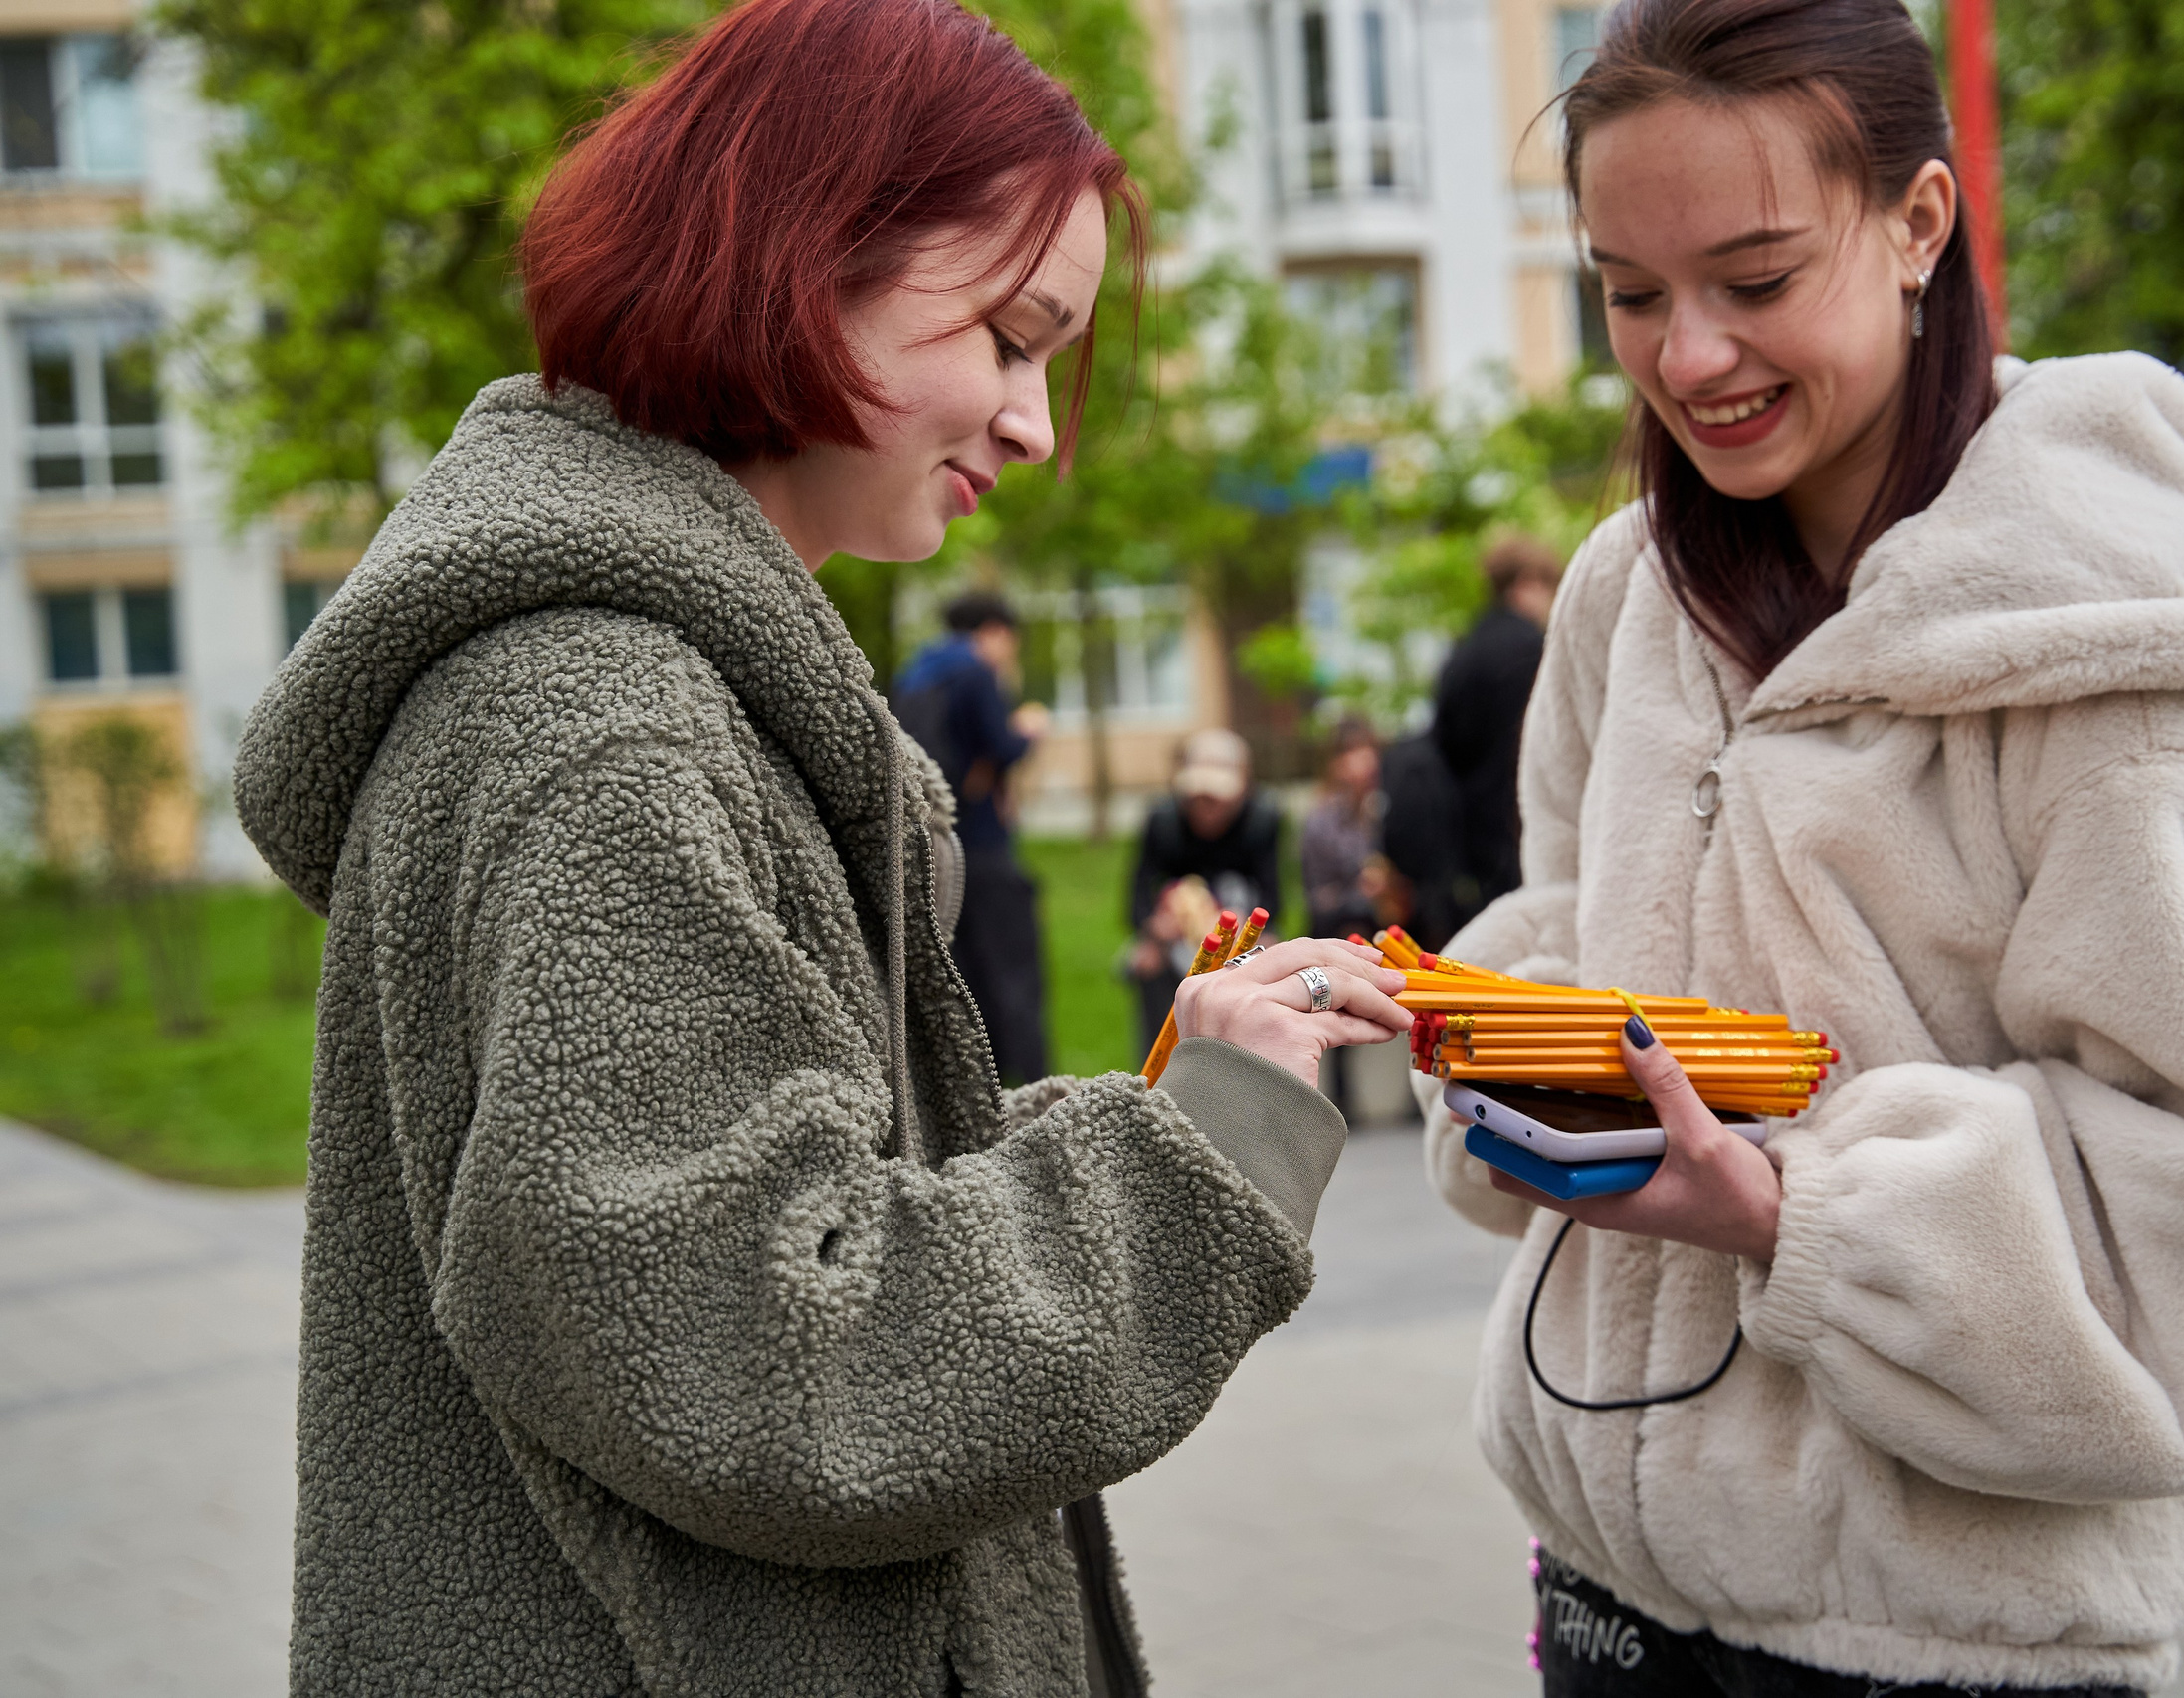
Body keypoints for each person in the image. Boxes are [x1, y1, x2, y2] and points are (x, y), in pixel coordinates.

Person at [227, 3, 1411, 1693]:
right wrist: (1200, 1162)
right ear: (800, 258)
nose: (1035, 424)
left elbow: (762, 1210)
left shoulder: (661, 690)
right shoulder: (604, 731)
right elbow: (773, 1356)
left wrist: (1169, 1097)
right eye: (1009, 336)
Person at [1419, 1, 2184, 1694]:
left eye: (1756, 280)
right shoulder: (1626, 593)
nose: (1688, 356)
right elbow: (1566, 926)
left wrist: (1793, 1209)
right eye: (1628, 293)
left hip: (1955, 1638)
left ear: (1920, 222)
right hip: (1612, 1588)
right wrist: (1468, 1029)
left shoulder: (2118, 637)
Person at [893, 590, 1053, 1082]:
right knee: (1011, 972)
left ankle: (973, 1077)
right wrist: (1028, 730)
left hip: (939, 844)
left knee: (964, 968)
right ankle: (1029, 1082)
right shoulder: (975, 672)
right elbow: (1000, 747)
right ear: (994, 631)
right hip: (984, 841)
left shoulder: (917, 673)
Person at [1125, 728, 1284, 1057]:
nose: (1207, 806)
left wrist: (1253, 925)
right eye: (1199, 795)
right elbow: (1137, 892)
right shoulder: (1163, 822)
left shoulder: (1262, 822)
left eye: (1217, 796)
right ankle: (1158, 1064)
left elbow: (1273, 897)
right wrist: (1154, 928)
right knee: (1146, 965)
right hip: (1175, 936)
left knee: (1272, 960)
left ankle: (1245, 1061)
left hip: (1240, 932)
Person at [1433, 534, 1563, 906]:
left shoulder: (1464, 648)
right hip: (1519, 821)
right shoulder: (1531, 647)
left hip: (1469, 825)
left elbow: (1446, 740)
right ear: (1526, 584)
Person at [1300, 714, 1384, 941]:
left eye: (1370, 748)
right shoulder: (1322, 822)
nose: (1366, 758)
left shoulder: (1386, 809)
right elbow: (1318, 900)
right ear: (1336, 763)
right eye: (1354, 750)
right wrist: (1362, 894)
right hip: (1341, 936)